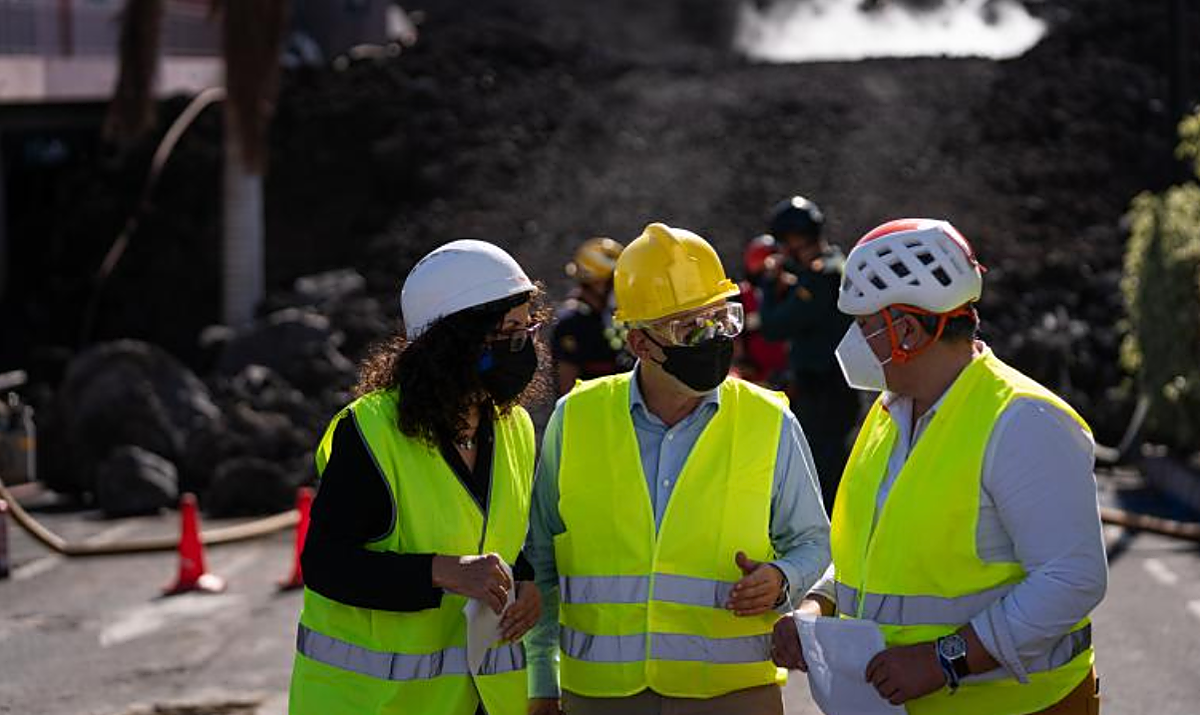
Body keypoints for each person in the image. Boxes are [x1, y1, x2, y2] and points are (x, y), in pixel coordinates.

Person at [771, 218, 1106, 714]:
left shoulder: (1022, 421)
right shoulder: (890, 412)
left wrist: (946, 658)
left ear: (905, 330)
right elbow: (877, 549)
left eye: (864, 325)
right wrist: (818, 605)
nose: (853, 342)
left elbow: (1072, 577)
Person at [526, 222, 831, 715]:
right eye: (689, 328)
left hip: (732, 696)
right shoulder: (575, 419)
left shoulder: (769, 419)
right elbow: (540, 560)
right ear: (641, 342)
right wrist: (542, 680)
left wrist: (781, 577)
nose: (712, 339)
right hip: (600, 698)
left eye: (721, 319)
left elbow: (815, 542)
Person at [289, 240, 548, 715]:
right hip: (376, 704)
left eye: (527, 328)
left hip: (483, 703)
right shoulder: (369, 431)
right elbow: (325, 564)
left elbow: (502, 537)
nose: (525, 347)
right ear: (456, 342)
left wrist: (527, 584)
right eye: (508, 333)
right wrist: (440, 572)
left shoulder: (515, 427)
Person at [759, 196, 858, 511]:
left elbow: (773, 327)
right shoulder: (834, 265)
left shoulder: (819, 278)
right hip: (834, 387)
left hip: (823, 389)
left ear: (794, 239)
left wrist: (769, 285)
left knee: (822, 472)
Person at [550, 237, 632, 396]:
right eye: (612, 282)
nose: (618, 288)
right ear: (592, 283)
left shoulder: (616, 316)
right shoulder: (571, 323)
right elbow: (567, 389)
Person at [733, 234, 789, 388]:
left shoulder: (790, 291)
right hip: (755, 378)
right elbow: (734, 338)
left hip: (787, 377)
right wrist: (743, 364)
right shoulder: (742, 296)